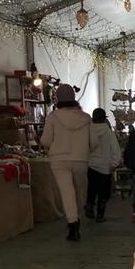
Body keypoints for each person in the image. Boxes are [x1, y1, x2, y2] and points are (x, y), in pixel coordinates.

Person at [40, 84, 92, 241]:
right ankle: (79, 215)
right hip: (81, 159)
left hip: (59, 159)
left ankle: (73, 224)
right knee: (80, 190)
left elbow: (46, 140)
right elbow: (94, 141)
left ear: (58, 98)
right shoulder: (86, 118)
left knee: (67, 192)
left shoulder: (53, 117)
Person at [85, 108, 121, 223]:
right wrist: (114, 163)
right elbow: (116, 150)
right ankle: (100, 215)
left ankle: (89, 205)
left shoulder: (87, 132)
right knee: (103, 193)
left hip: (90, 166)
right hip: (105, 168)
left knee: (91, 189)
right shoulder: (108, 133)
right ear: (104, 119)